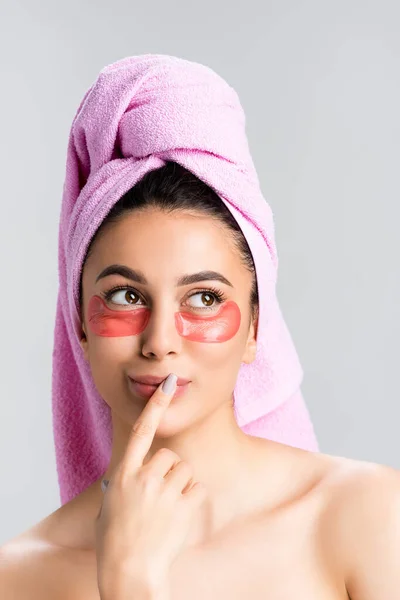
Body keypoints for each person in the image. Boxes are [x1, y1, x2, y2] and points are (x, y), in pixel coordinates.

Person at [1, 56, 400, 599]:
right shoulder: (16, 577)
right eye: (125, 296)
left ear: (255, 326)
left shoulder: (368, 517)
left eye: (205, 298)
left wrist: (132, 584)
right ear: (79, 324)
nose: (161, 341)